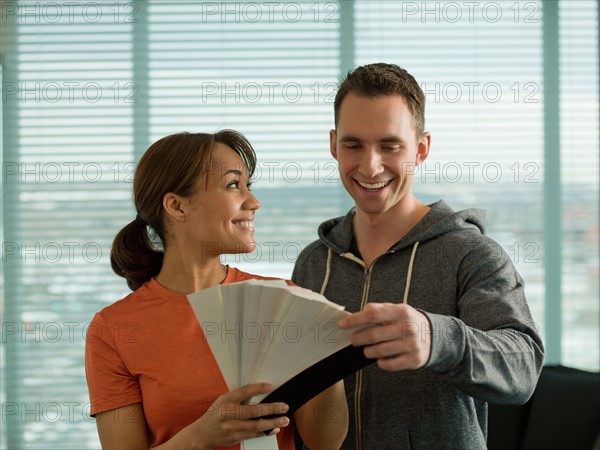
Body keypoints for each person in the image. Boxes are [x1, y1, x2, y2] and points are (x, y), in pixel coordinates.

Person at [291, 63, 545, 449]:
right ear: (333, 144)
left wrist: (437, 338)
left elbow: (523, 367)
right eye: (353, 144)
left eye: (390, 146)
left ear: (421, 149)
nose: (370, 165)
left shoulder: (471, 255)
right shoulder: (313, 262)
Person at [85, 130, 348, 449]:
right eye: (233, 185)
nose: (254, 201)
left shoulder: (283, 302)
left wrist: (330, 352)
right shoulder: (113, 329)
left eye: (249, 186)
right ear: (177, 206)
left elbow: (325, 441)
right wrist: (201, 437)